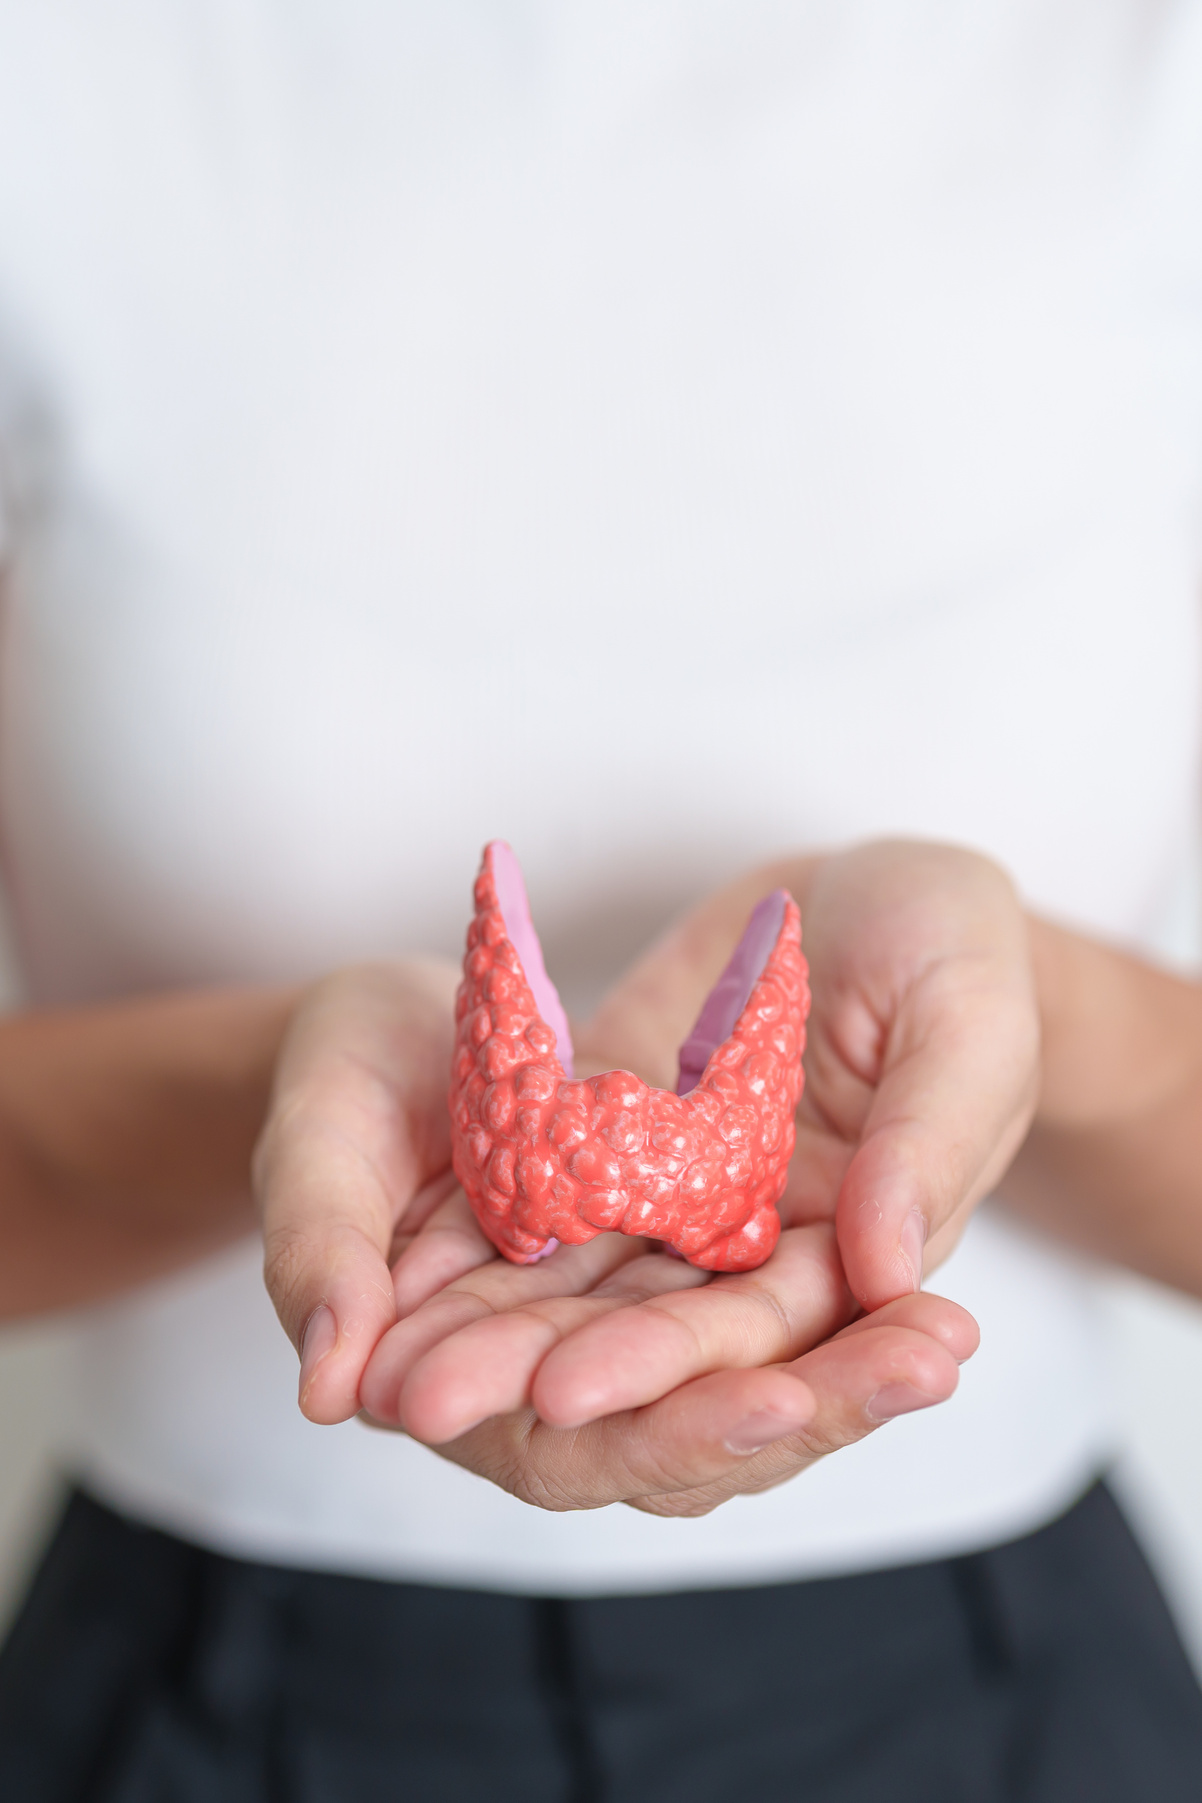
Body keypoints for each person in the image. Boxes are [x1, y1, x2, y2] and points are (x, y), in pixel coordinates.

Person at [1, 4, 1202, 1797]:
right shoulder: (60, 87)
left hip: (1003, 1695)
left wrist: (1018, 1017)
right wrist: (286, 1099)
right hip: (196, 1694)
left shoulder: (1142, 84)